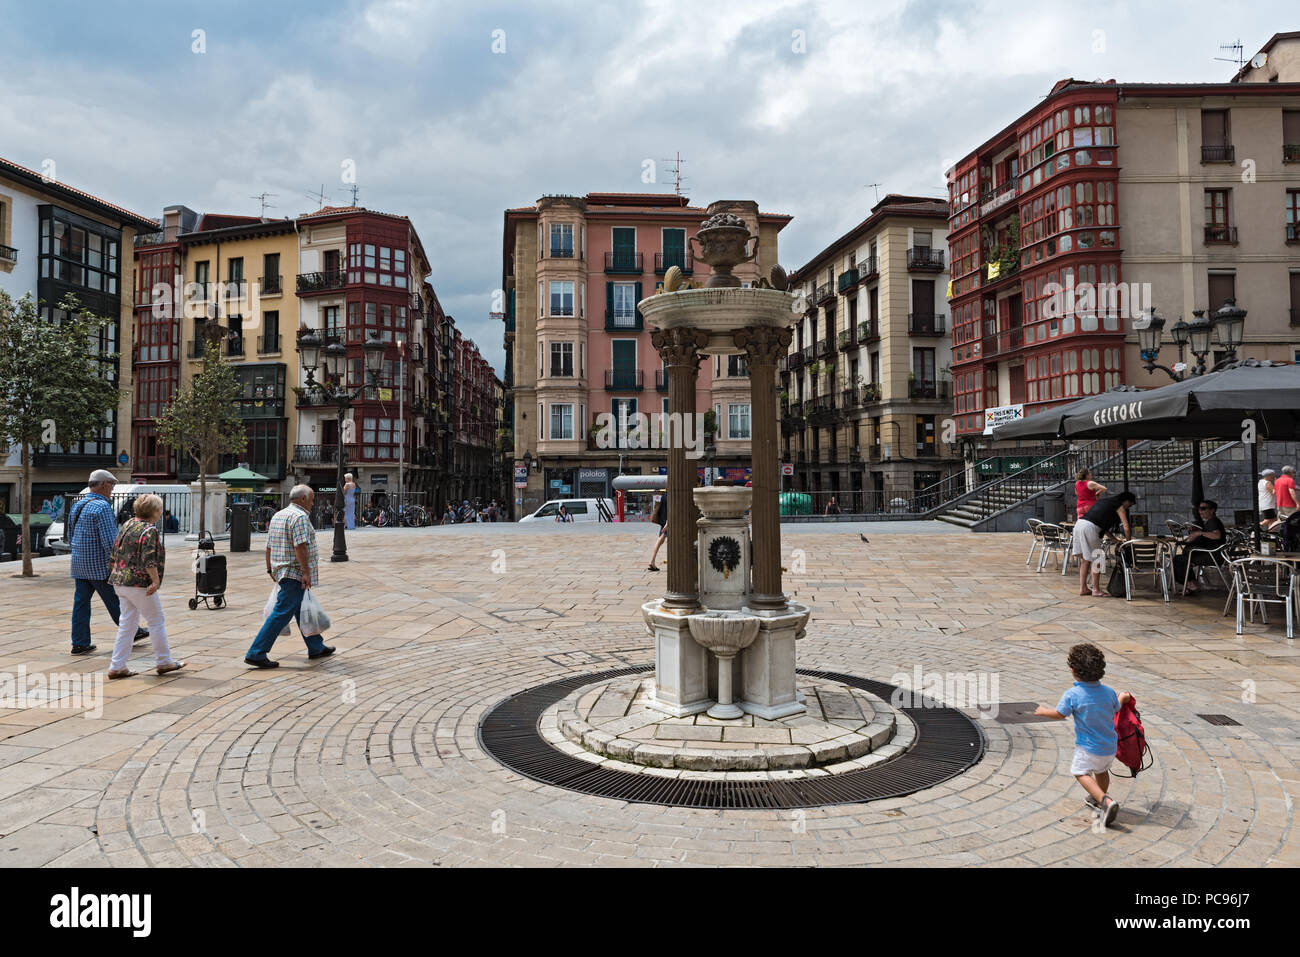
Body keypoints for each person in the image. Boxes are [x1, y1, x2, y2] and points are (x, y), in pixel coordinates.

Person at [1034, 643, 1131, 828]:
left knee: (1080, 772)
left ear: (1072, 670)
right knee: (1101, 771)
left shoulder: (1073, 694)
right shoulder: (1109, 692)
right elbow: (1116, 707)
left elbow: (1060, 714)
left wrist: (1043, 711)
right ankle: (1097, 799)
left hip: (1088, 747)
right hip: (1110, 746)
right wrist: (1123, 698)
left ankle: (1105, 801)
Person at [244, 484, 335, 668]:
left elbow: (269, 545)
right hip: (294, 572)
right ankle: (256, 652)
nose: (313, 502)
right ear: (302, 499)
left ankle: (316, 646)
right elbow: (300, 546)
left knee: (300, 608)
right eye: (312, 498)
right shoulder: (300, 517)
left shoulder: (278, 515)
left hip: (281, 570)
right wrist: (306, 572)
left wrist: (269, 568)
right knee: (281, 613)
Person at [69, 470, 147, 655]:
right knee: (116, 599)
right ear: (103, 484)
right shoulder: (102, 507)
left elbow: (70, 534)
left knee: (81, 603)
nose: (112, 489)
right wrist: (118, 563)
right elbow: (110, 540)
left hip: (80, 563)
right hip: (99, 565)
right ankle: (133, 631)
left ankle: (79, 642)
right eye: (111, 485)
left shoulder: (78, 505)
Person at [105, 495, 184, 679]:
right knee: (156, 620)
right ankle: (164, 661)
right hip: (139, 583)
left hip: (120, 581)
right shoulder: (149, 530)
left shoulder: (128, 524)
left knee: (127, 624)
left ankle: (117, 666)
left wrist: (115, 572)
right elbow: (148, 560)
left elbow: (114, 552)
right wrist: (155, 581)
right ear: (155, 512)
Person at [1070, 490, 1135, 597]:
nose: (1129, 507)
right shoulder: (1119, 506)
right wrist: (1128, 543)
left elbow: (1101, 526)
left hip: (1079, 524)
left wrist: (1115, 540)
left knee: (1086, 560)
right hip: (1089, 528)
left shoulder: (1104, 502)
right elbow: (1126, 527)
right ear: (1126, 501)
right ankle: (1095, 589)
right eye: (1130, 505)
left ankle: (1083, 588)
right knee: (1098, 559)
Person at [1173, 500, 1226, 594]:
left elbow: (1217, 535)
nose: (1200, 511)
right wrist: (1197, 531)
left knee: (1179, 560)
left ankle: (1190, 584)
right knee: (1182, 559)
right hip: (1212, 554)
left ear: (1212, 510)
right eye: (1199, 509)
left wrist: (1199, 533)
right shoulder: (1210, 522)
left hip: (1212, 555)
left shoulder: (1213, 521)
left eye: (1203, 508)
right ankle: (1191, 583)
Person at [647, 492, 668, 571]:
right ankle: (652, 561)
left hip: (663, 521)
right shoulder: (672, 496)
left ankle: (652, 560)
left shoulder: (664, 496)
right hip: (668, 522)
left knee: (660, 540)